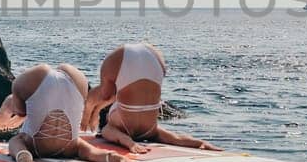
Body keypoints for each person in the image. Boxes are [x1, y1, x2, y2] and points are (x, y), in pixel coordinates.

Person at [0, 63, 149, 162]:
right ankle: (12, 110)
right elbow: (96, 154)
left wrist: (24, 158)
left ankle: (11, 110)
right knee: (19, 110)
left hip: (73, 82)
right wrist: (117, 158)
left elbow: (15, 142)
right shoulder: (71, 147)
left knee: (17, 112)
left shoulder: (72, 147)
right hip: (70, 80)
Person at [87, 42, 219, 153]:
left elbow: (113, 131)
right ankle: (203, 144)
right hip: (149, 128)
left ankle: (130, 144)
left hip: (133, 128)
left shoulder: (110, 126)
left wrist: (129, 143)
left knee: (107, 130)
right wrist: (96, 111)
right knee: (175, 138)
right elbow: (108, 98)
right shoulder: (120, 122)